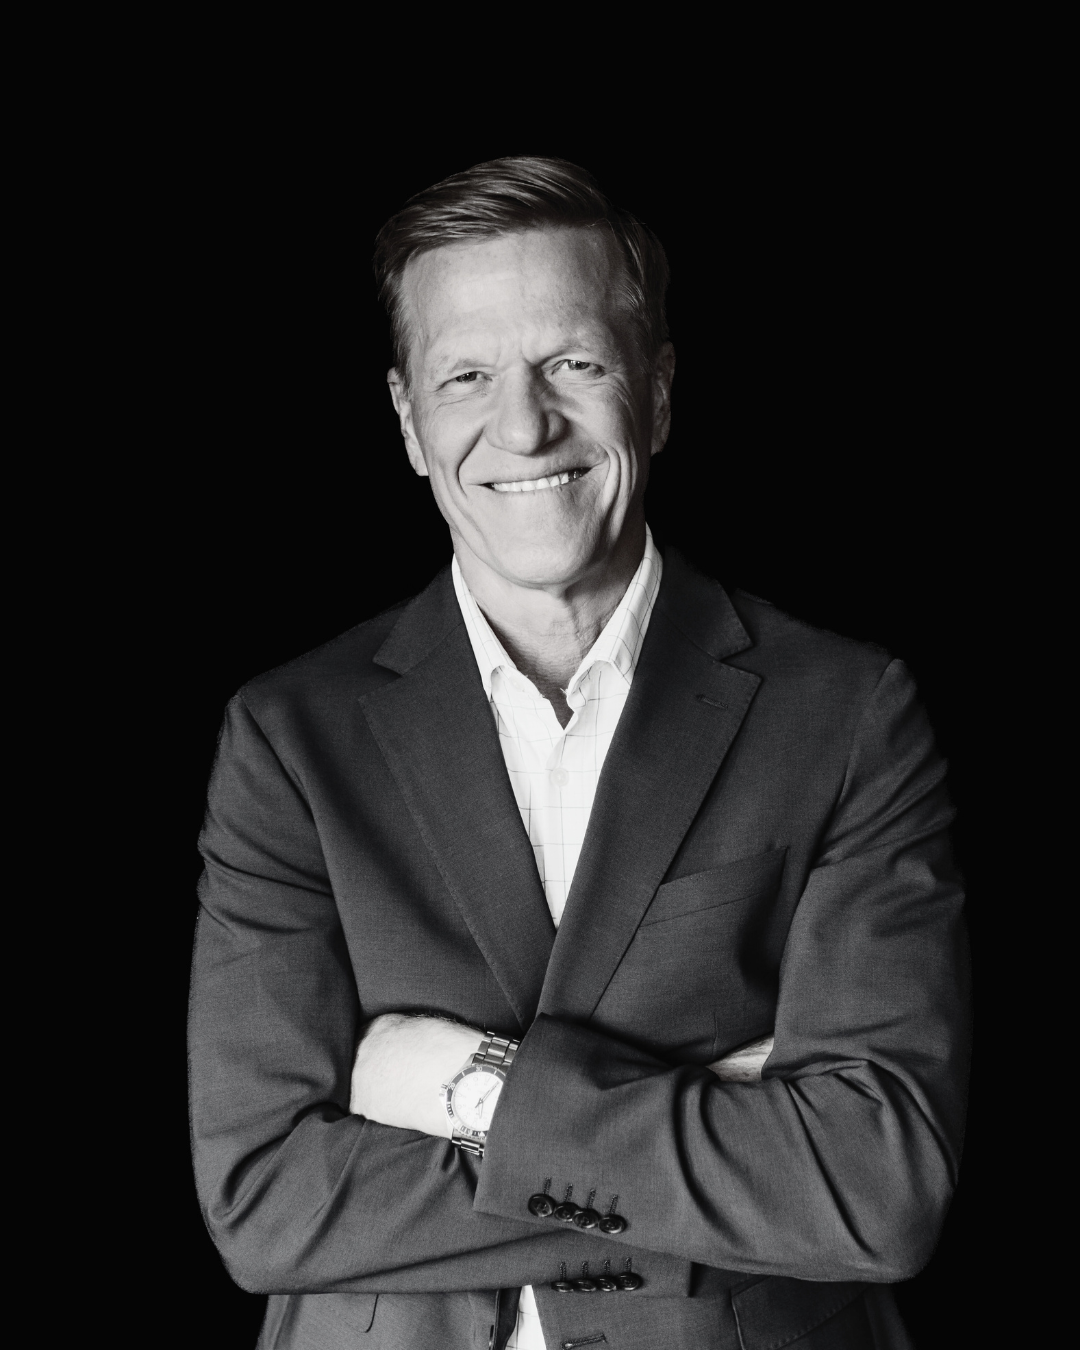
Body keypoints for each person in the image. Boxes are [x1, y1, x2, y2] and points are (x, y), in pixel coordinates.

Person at [189, 157, 969, 1350]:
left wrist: (465, 1095)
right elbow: (265, 1202)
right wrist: (734, 1151)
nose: (523, 424)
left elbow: (876, 1188)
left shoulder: (851, 713)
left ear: (656, 393)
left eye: (575, 363)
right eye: (466, 376)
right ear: (408, 420)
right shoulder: (289, 740)